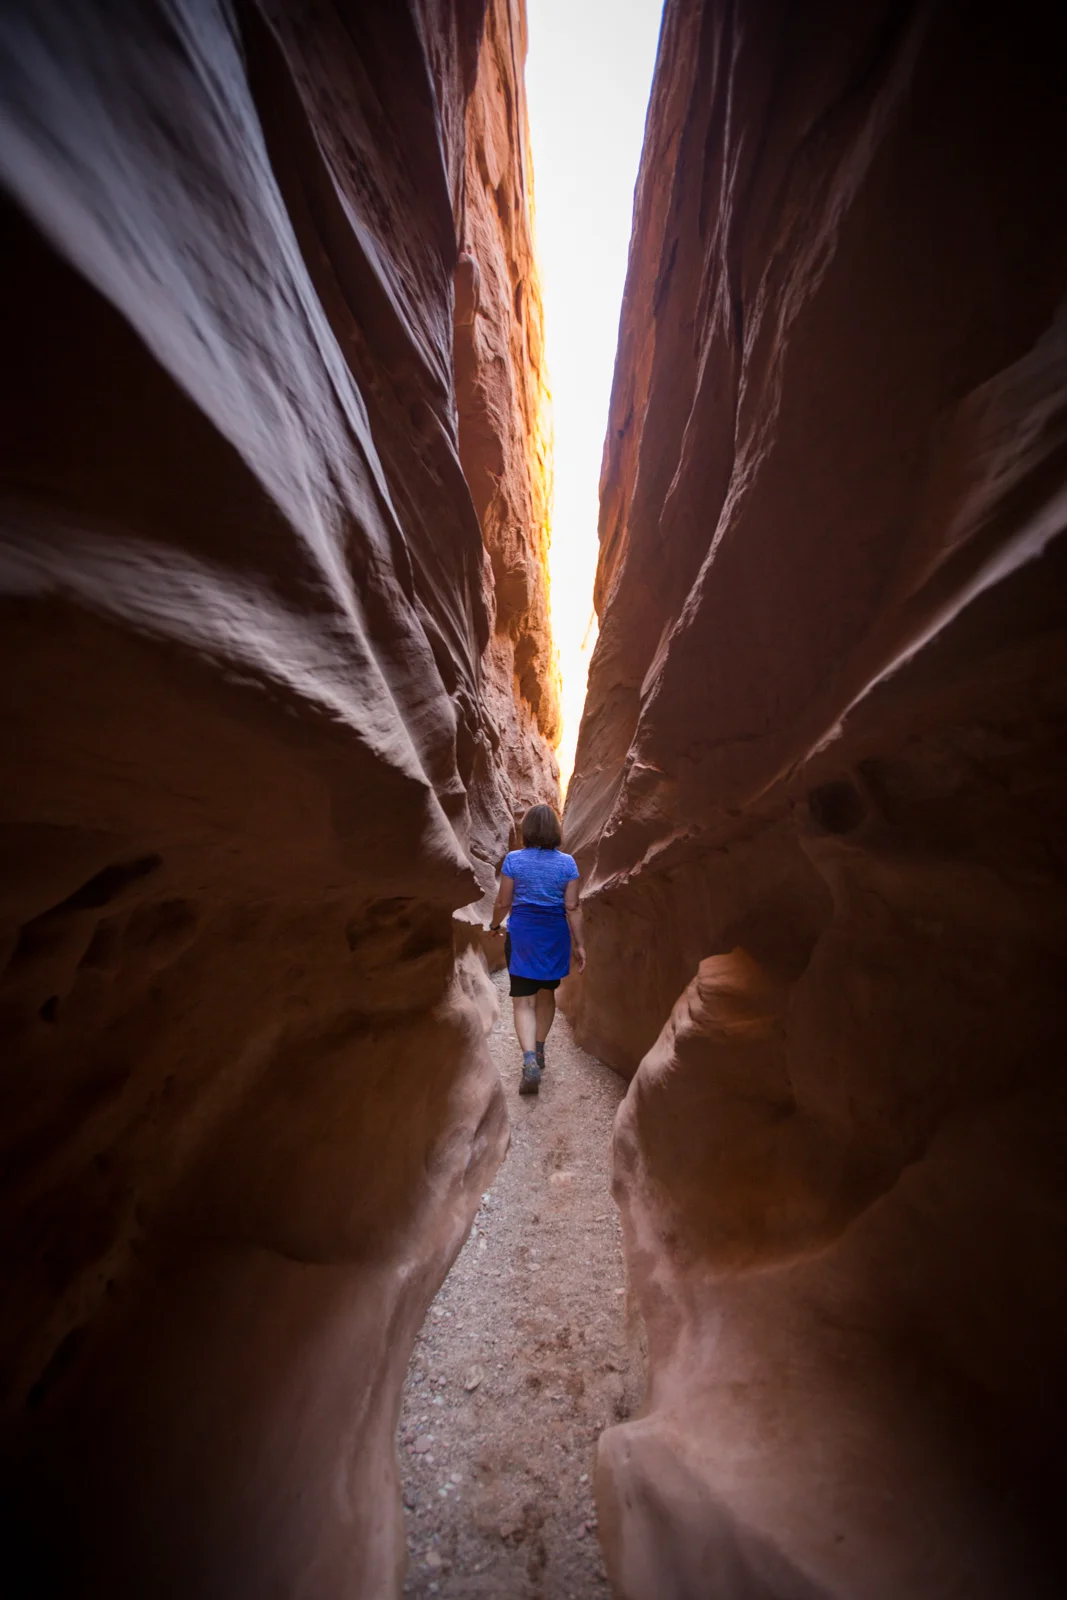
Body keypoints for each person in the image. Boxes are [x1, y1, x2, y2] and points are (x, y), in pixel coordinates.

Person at [488, 804, 585, 1096]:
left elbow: (504, 902)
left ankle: (529, 1058)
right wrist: (581, 944)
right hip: (554, 936)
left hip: (523, 936)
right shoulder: (568, 864)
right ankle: (540, 1048)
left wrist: (494, 925)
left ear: (526, 830)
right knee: (546, 994)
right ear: (556, 831)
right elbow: (572, 907)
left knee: (522, 1001)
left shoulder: (514, 860)